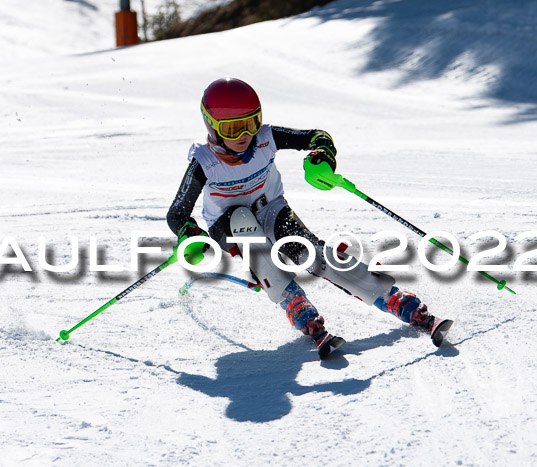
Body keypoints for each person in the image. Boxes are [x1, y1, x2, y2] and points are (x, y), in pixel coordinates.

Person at [167, 77, 439, 358]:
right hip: (228, 226)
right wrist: (189, 233)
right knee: (241, 219)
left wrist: (323, 156)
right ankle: (292, 299)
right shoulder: (205, 161)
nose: (244, 136)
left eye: (251, 123)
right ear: (212, 127)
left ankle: (389, 297)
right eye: (233, 129)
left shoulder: (265, 139)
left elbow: (317, 136)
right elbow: (177, 213)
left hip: (271, 208)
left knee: (309, 251)